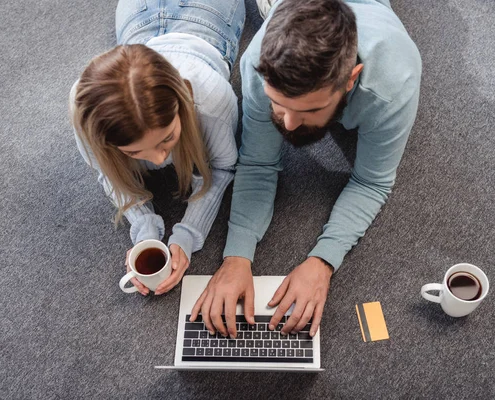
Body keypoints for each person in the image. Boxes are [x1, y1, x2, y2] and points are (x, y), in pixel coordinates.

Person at [190, 0, 422, 337]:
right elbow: (257, 162)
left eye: (309, 109)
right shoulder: (257, 64)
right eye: (277, 102)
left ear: (349, 80)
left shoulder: (393, 84)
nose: (289, 123)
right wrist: (236, 256)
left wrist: (323, 262)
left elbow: (371, 183)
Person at [70, 0, 245, 295]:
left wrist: (187, 235)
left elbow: (223, 165)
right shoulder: (85, 113)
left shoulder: (211, 99)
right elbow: (107, 173)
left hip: (209, 16)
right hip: (138, 20)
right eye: (134, 152)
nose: (160, 159)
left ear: (184, 102)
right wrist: (143, 230)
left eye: (167, 138)